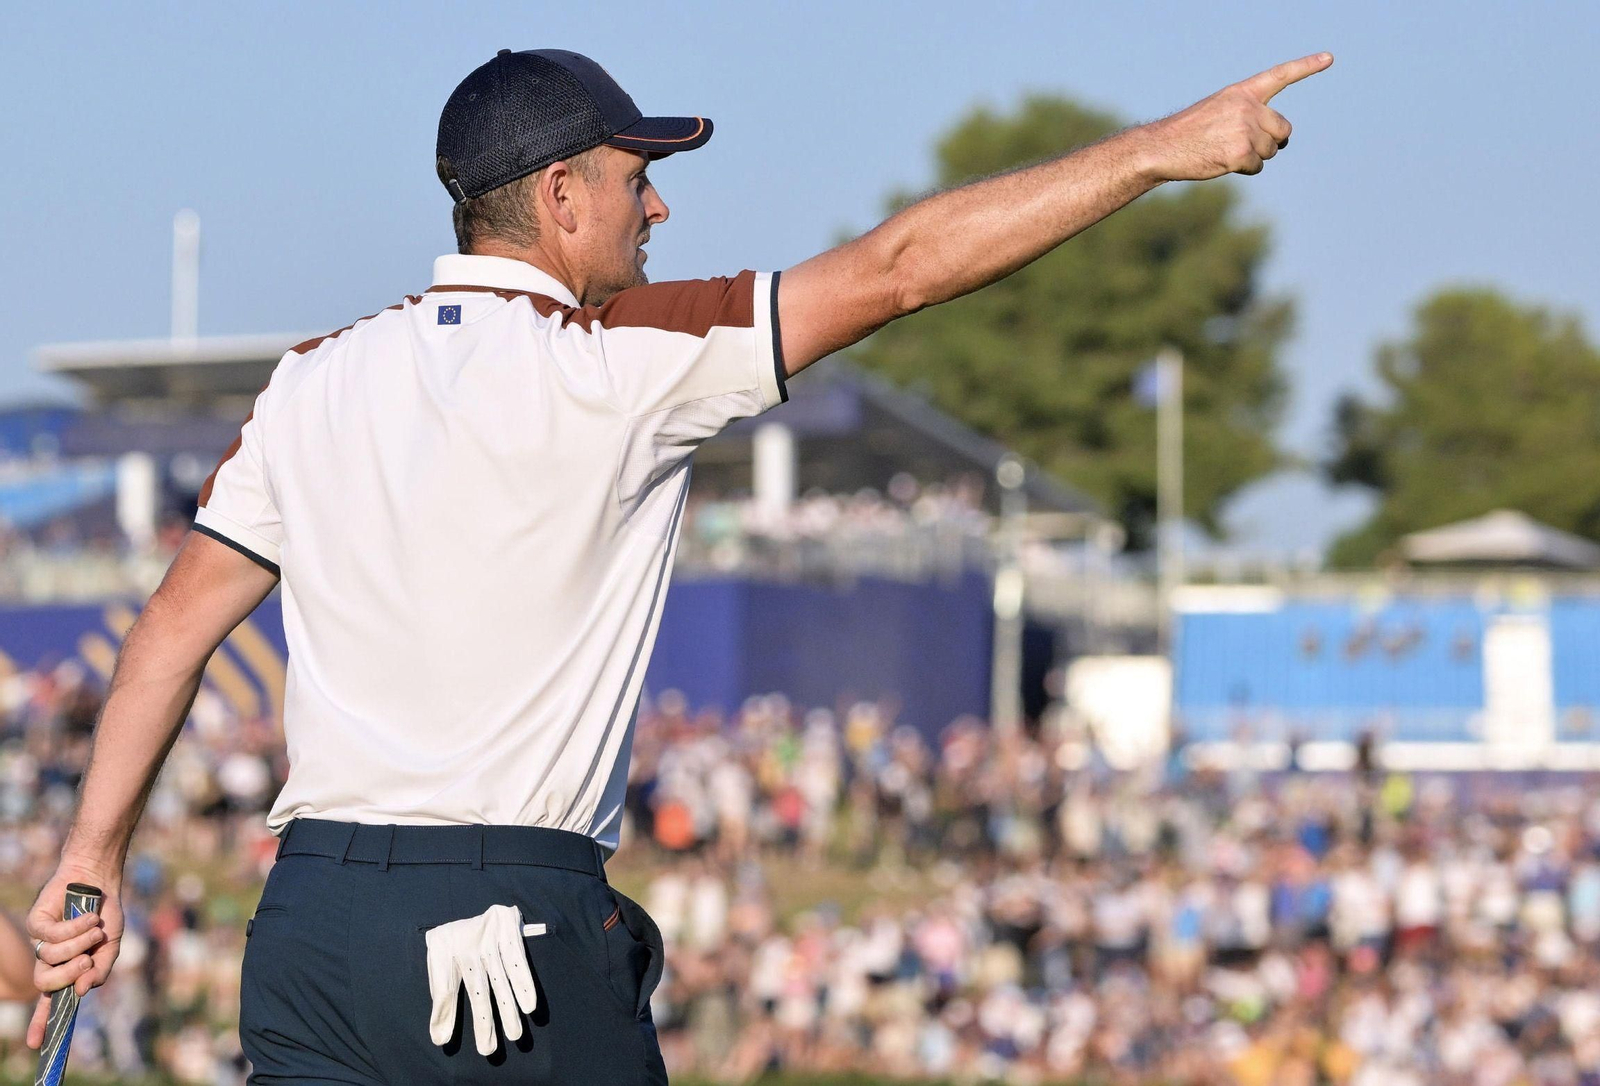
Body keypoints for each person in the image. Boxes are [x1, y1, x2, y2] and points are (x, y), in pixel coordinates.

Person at [26, 44, 1331, 1085]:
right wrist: (1163, 152)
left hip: (308, 926)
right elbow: (903, 268)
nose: (659, 200)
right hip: (499, 922)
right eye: (633, 172)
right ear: (557, 197)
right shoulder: (622, 356)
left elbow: (168, 635)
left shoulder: (310, 383)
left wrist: (89, 863)